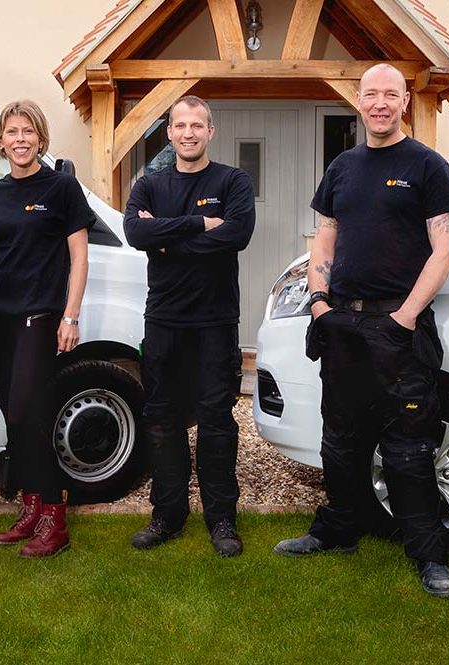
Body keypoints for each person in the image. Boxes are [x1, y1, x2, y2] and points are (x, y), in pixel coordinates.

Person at [274, 64, 449, 598]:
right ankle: (338, 530)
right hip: (342, 322)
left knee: (409, 446)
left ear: (405, 101)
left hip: (399, 327)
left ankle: (429, 555)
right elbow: (325, 237)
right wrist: (318, 303)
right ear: (358, 101)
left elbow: (445, 249)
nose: (380, 103)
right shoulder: (343, 167)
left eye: (390, 94)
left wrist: (404, 318)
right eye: (371, 94)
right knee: (339, 440)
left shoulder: (427, 166)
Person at [123, 95, 255, 557]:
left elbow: (237, 234)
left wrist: (166, 237)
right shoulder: (149, 185)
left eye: (197, 125)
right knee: (163, 420)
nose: (188, 133)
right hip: (164, 321)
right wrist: (199, 223)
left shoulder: (232, 180)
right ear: (169, 132)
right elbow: (135, 233)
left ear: (210, 131)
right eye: (180, 125)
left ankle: (222, 520)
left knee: (217, 422)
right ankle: (168, 515)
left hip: (215, 322)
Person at [0, 100, 92, 559]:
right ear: (1, 141)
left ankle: (55, 518)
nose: (20, 139)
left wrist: (70, 315)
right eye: (12, 132)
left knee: (26, 413)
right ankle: (31, 506)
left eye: (28, 131)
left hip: (38, 315)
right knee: (12, 415)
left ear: (40, 138)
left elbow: (79, 257)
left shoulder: (61, 188)